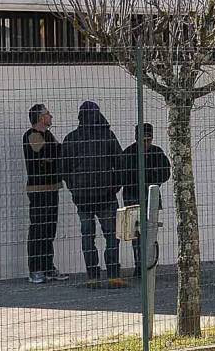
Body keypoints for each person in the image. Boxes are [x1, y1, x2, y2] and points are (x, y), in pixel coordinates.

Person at [63, 101, 126, 288]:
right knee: (112, 236)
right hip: (106, 197)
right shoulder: (107, 136)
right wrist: (115, 186)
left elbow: (64, 169)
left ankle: (92, 277)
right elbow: (120, 163)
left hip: (82, 198)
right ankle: (113, 275)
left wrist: (74, 189)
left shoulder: (71, 138)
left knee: (87, 237)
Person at [22, 104, 68, 284]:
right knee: (38, 229)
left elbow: (56, 153)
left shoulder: (48, 135)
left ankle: (48, 266)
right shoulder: (32, 135)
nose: (51, 116)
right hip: (39, 189)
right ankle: (35, 269)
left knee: (49, 229)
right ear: (41, 118)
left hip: (52, 187)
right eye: (48, 114)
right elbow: (49, 153)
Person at [121, 123, 171, 276]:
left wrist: (150, 180)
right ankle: (139, 265)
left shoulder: (157, 152)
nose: (146, 143)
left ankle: (148, 264)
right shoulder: (128, 153)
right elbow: (124, 176)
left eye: (149, 140)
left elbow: (165, 173)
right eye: (143, 140)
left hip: (150, 197)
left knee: (150, 233)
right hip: (133, 198)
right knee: (136, 234)